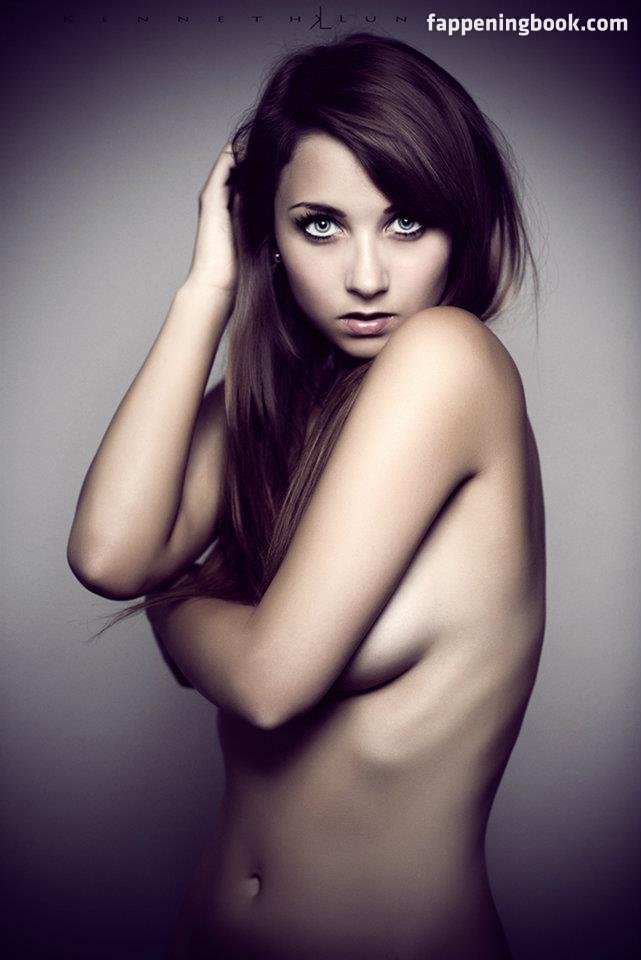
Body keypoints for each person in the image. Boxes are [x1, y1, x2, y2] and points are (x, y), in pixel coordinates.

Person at [67, 32, 546, 960]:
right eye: (319, 225)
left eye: (407, 223)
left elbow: (267, 682)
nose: (366, 277)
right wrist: (207, 288)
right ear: (271, 238)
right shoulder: (282, 402)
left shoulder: (447, 358)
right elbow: (109, 556)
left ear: (462, 224)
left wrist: (175, 606)